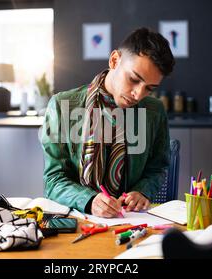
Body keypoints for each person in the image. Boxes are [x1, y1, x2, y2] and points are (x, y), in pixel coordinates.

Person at [41, 27, 175, 217]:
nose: (138, 94)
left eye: (149, 88)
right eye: (134, 79)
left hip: (131, 220)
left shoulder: (154, 111)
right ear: (114, 60)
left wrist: (143, 191)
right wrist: (88, 200)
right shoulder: (62, 106)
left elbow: (158, 168)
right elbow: (53, 179)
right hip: (79, 219)